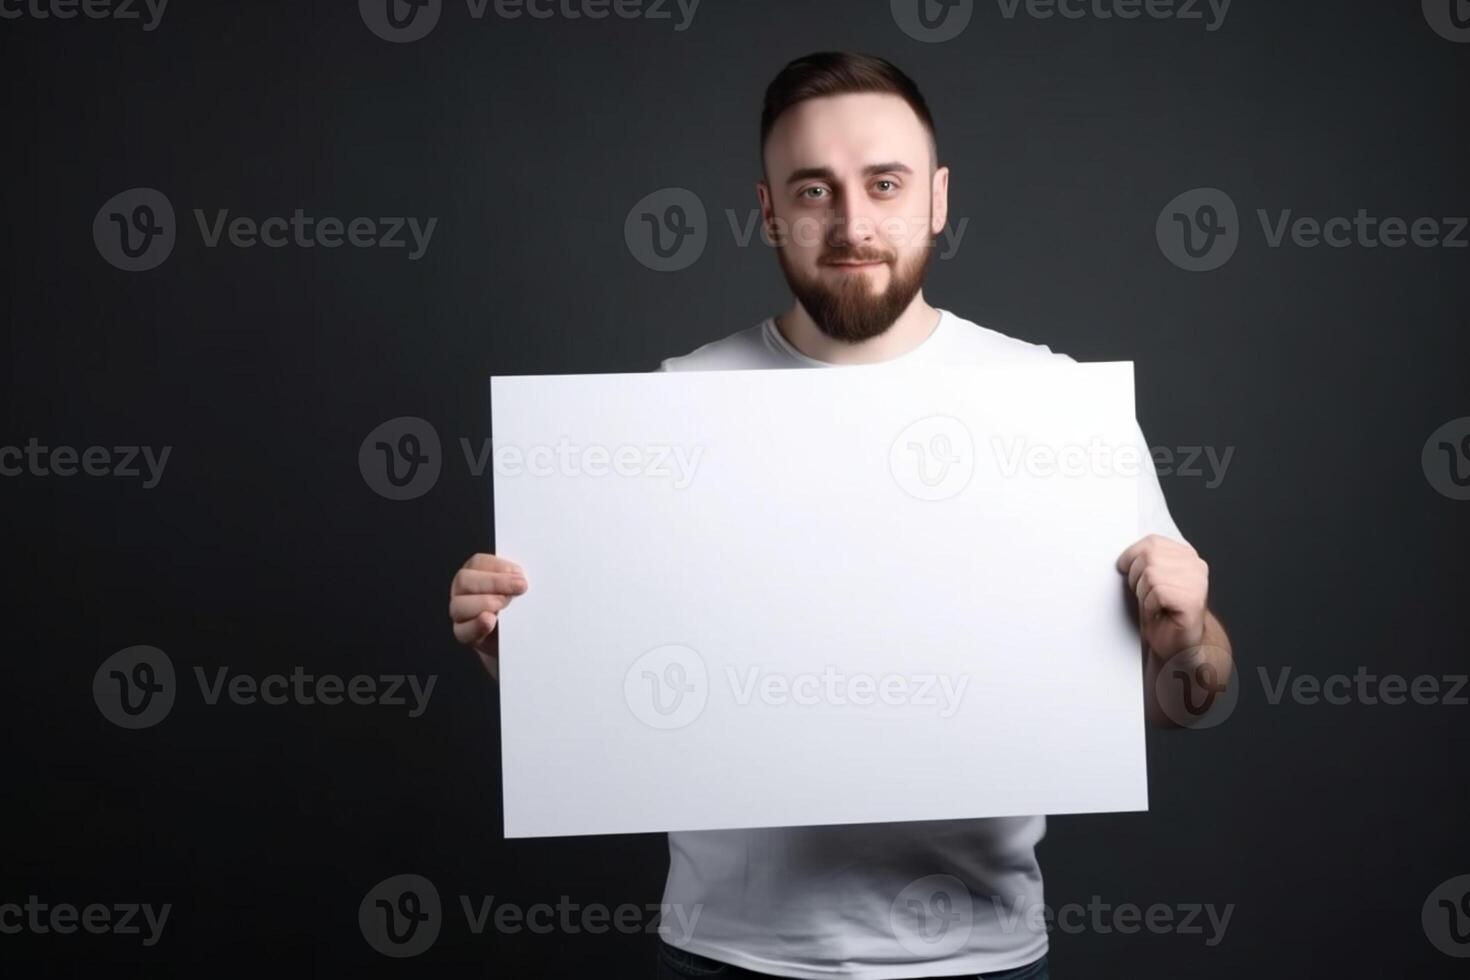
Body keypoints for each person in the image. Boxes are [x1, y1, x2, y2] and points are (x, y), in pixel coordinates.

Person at [448, 51, 1233, 980]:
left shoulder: (1051, 405)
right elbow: (625, 698)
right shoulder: (669, 412)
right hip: (727, 956)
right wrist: (530, 662)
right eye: (815, 190)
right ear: (769, 209)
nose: (853, 224)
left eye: (885, 183)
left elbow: (1182, 701)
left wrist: (1187, 646)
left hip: (980, 958)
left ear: (938, 198)